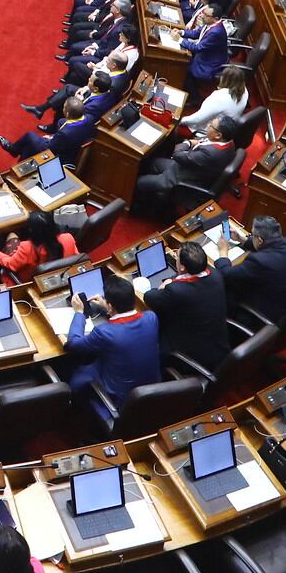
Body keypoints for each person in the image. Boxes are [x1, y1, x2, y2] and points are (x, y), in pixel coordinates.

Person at [65, 271, 161, 409]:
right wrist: (108, 308)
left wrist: (79, 313)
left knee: (76, 374)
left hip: (122, 400)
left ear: (110, 305)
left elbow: (73, 344)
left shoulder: (104, 332)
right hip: (153, 392)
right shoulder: (151, 317)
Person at [145, 240, 230, 373]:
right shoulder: (215, 275)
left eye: (176, 257)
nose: (175, 258)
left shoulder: (176, 291)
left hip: (192, 355)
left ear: (182, 267)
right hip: (218, 344)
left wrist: (165, 285)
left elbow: (149, 297)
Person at [135, 117, 235, 218]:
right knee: (152, 162)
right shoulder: (229, 143)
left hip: (179, 180)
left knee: (138, 182)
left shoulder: (210, 153)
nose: (207, 126)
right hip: (187, 169)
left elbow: (177, 154)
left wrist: (188, 142)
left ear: (218, 135)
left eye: (211, 126)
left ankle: (138, 209)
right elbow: (203, 143)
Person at [0, 211, 73, 283]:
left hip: (31, 282)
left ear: (32, 231)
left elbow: (9, 264)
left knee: (11, 235)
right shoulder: (68, 238)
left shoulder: (27, 247)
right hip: (62, 278)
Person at [181, 64, 249, 133]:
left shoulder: (220, 97)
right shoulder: (245, 91)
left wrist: (180, 120)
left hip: (210, 131)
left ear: (225, 80)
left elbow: (197, 119)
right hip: (227, 128)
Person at [182, 3, 230, 91]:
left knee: (187, 70)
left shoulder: (216, 32)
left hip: (210, 62)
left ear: (215, 19)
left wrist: (180, 40)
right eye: (203, 13)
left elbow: (198, 48)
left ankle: (194, 97)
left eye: (206, 15)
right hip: (207, 54)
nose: (202, 16)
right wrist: (181, 33)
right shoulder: (210, 23)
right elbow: (196, 33)